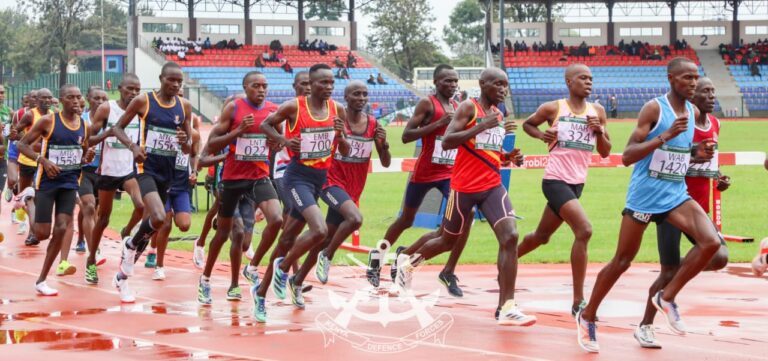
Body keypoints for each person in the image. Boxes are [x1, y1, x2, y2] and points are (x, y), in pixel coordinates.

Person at [576, 58, 720, 353]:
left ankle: (666, 297)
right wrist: (665, 135)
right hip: (644, 197)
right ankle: (588, 315)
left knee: (711, 242)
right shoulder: (655, 109)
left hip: (675, 195)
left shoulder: (692, 112)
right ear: (671, 79)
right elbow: (627, 155)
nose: (693, 83)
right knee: (622, 261)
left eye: (696, 77)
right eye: (687, 78)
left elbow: (676, 152)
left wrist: (696, 152)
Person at [392, 68, 533, 326]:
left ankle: (507, 306)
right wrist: (480, 125)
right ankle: (408, 265)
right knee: (447, 241)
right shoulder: (469, 108)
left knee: (510, 236)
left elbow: (487, 147)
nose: (503, 89)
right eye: (497, 84)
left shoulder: (498, 114)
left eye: (505, 85)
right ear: (482, 85)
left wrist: (507, 157)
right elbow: (447, 141)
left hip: (492, 185)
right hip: (464, 188)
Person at [635, 77, 731, 348]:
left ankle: (670, 287)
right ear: (692, 97)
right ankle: (645, 326)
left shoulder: (715, 124)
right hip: (672, 203)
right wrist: (691, 158)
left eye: (713, 90)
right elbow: (672, 159)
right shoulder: (682, 124)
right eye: (705, 91)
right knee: (668, 271)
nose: (712, 96)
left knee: (719, 255)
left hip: (698, 207)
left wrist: (718, 177)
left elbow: (707, 158)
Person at [517, 64, 612, 317]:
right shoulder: (554, 108)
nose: (589, 82)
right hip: (555, 180)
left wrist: (599, 130)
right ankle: (579, 301)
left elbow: (605, 151)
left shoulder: (598, 111)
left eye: (591, 78)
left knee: (541, 236)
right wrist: (542, 136)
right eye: (583, 78)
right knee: (584, 230)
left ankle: (507, 260)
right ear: (569, 82)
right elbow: (528, 124)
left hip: (577, 183)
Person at [255, 63, 348, 320]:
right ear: (311, 83)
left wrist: (340, 136)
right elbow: (266, 125)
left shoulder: (336, 109)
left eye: (332, 83)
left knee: (286, 240)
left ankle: (260, 294)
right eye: (323, 83)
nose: (329, 87)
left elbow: (346, 151)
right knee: (320, 229)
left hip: (320, 178)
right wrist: (285, 141)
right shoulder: (295, 106)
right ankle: (284, 267)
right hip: (296, 178)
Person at [366, 64, 467, 297]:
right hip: (424, 173)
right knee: (406, 220)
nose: (451, 85)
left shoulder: (457, 106)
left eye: (454, 81)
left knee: (457, 221)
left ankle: (411, 257)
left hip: (449, 174)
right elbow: (406, 136)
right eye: (446, 81)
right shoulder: (427, 104)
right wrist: (438, 125)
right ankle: (377, 258)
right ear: (436, 82)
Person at [291, 81, 391, 287]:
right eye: (356, 94)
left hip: (353, 188)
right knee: (355, 219)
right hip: (330, 182)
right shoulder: (335, 121)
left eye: (364, 94)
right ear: (345, 97)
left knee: (325, 237)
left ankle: (297, 280)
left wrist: (385, 145)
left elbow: (386, 161)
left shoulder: (373, 124)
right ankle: (327, 256)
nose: (361, 98)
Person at [198, 71, 283, 304]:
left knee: (276, 220)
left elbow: (277, 142)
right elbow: (211, 146)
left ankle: (252, 267)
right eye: (256, 86)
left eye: (265, 86)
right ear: (246, 87)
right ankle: (208, 279)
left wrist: (274, 142)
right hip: (233, 180)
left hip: (259, 177)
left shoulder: (273, 111)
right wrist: (237, 132)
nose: (261, 90)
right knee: (227, 233)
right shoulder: (234, 109)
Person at [111, 62, 193, 303]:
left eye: (180, 82)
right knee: (158, 217)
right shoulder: (143, 102)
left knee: (151, 228)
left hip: (168, 174)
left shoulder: (184, 106)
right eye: (171, 80)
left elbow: (188, 147)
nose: (176, 85)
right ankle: (130, 244)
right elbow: (117, 128)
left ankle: (123, 276)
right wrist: (133, 146)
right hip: (146, 169)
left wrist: (183, 141)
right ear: (161, 79)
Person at [19, 84, 93, 295]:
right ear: (60, 100)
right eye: (71, 97)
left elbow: (84, 151)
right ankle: (29, 199)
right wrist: (43, 161)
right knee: (42, 234)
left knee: (61, 227)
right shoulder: (48, 121)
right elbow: (22, 144)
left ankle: (42, 280)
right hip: (47, 183)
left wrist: (86, 157)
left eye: (79, 97)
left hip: (69, 182)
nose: (76, 101)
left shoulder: (84, 125)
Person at [85, 74, 146, 285]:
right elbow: (89, 138)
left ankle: (127, 232)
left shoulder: (140, 112)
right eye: (130, 89)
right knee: (103, 219)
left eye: (137, 90)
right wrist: (107, 133)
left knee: (141, 205)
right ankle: (91, 260)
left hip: (129, 170)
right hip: (108, 171)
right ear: (120, 88)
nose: (134, 94)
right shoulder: (107, 109)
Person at [147, 88, 201, 280]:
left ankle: (151, 239)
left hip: (181, 184)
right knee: (166, 224)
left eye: (180, 98)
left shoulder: (193, 134)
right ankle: (159, 265)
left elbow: (194, 155)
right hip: (163, 181)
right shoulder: (157, 127)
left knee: (184, 225)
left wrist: (194, 171)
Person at [13, 88, 54, 246]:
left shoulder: (54, 115)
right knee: (26, 196)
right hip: (27, 160)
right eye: (43, 98)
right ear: (37, 100)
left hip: (43, 162)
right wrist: (17, 135)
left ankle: (33, 233)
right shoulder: (31, 114)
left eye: (49, 98)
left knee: (36, 198)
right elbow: (16, 132)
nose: (47, 101)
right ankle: (20, 203)